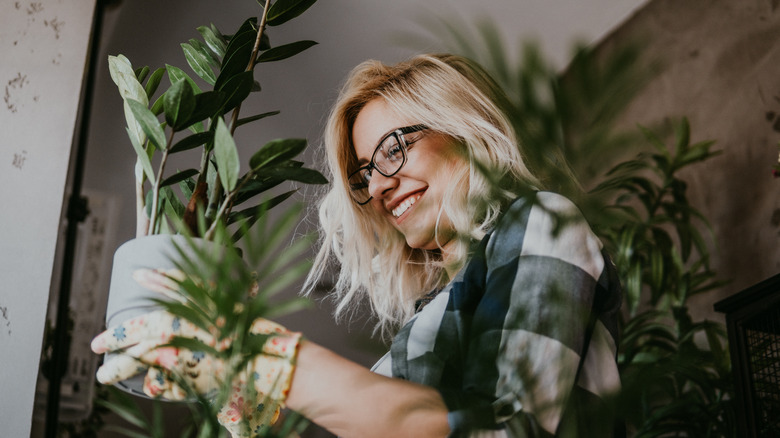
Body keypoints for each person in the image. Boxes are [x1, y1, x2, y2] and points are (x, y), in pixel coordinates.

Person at [92, 53, 623, 437]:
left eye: (393, 150)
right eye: (364, 173)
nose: (377, 186)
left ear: (465, 129)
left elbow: (513, 430)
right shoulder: (428, 319)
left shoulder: (542, 220)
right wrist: (243, 395)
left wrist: (260, 357)